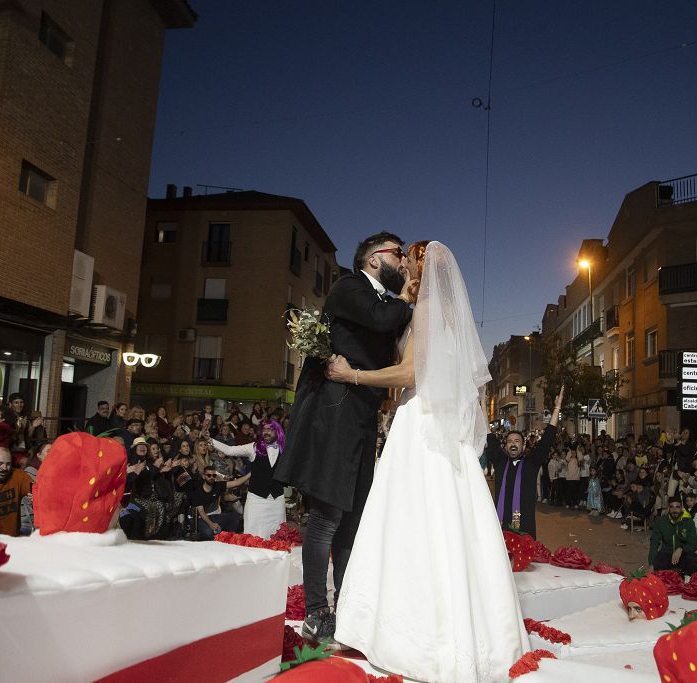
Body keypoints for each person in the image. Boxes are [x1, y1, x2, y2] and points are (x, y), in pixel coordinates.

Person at [326, 241, 529, 682]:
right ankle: (470, 625)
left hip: (420, 422)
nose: (402, 265)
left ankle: (405, 632)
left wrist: (351, 375)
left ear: (422, 268)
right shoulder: (451, 317)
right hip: (444, 430)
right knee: (453, 519)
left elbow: (409, 374)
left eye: (408, 260)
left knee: (408, 519)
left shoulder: (426, 312)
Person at [274, 231, 414, 643]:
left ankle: (347, 605)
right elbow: (384, 320)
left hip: (361, 414)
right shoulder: (348, 287)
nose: (403, 261)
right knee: (327, 517)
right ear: (373, 259)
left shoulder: (382, 298)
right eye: (397, 254)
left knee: (351, 518)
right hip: (335, 410)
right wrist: (406, 295)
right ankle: (317, 611)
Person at [207, 417, 287, 538]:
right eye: (264, 429)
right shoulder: (254, 447)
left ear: (277, 431)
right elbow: (230, 450)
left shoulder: (285, 449)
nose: (266, 432)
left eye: (270, 429)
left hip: (277, 500)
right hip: (256, 499)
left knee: (277, 535)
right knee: (254, 535)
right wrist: (211, 440)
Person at [0, 446, 34, 536]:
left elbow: (36, 491)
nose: (4, 468)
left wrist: (37, 497)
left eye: (8, 464)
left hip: (13, 540)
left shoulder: (18, 475)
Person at [648, 498, 697, 575]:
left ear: (682, 508)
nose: (674, 510)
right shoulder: (661, 522)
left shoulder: (688, 522)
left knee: (693, 560)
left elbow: (694, 544)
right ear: (668, 508)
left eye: (677, 507)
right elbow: (654, 543)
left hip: (683, 554)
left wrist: (681, 548)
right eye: (672, 507)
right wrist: (651, 564)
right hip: (667, 553)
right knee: (659, 562)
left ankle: (687, 581)